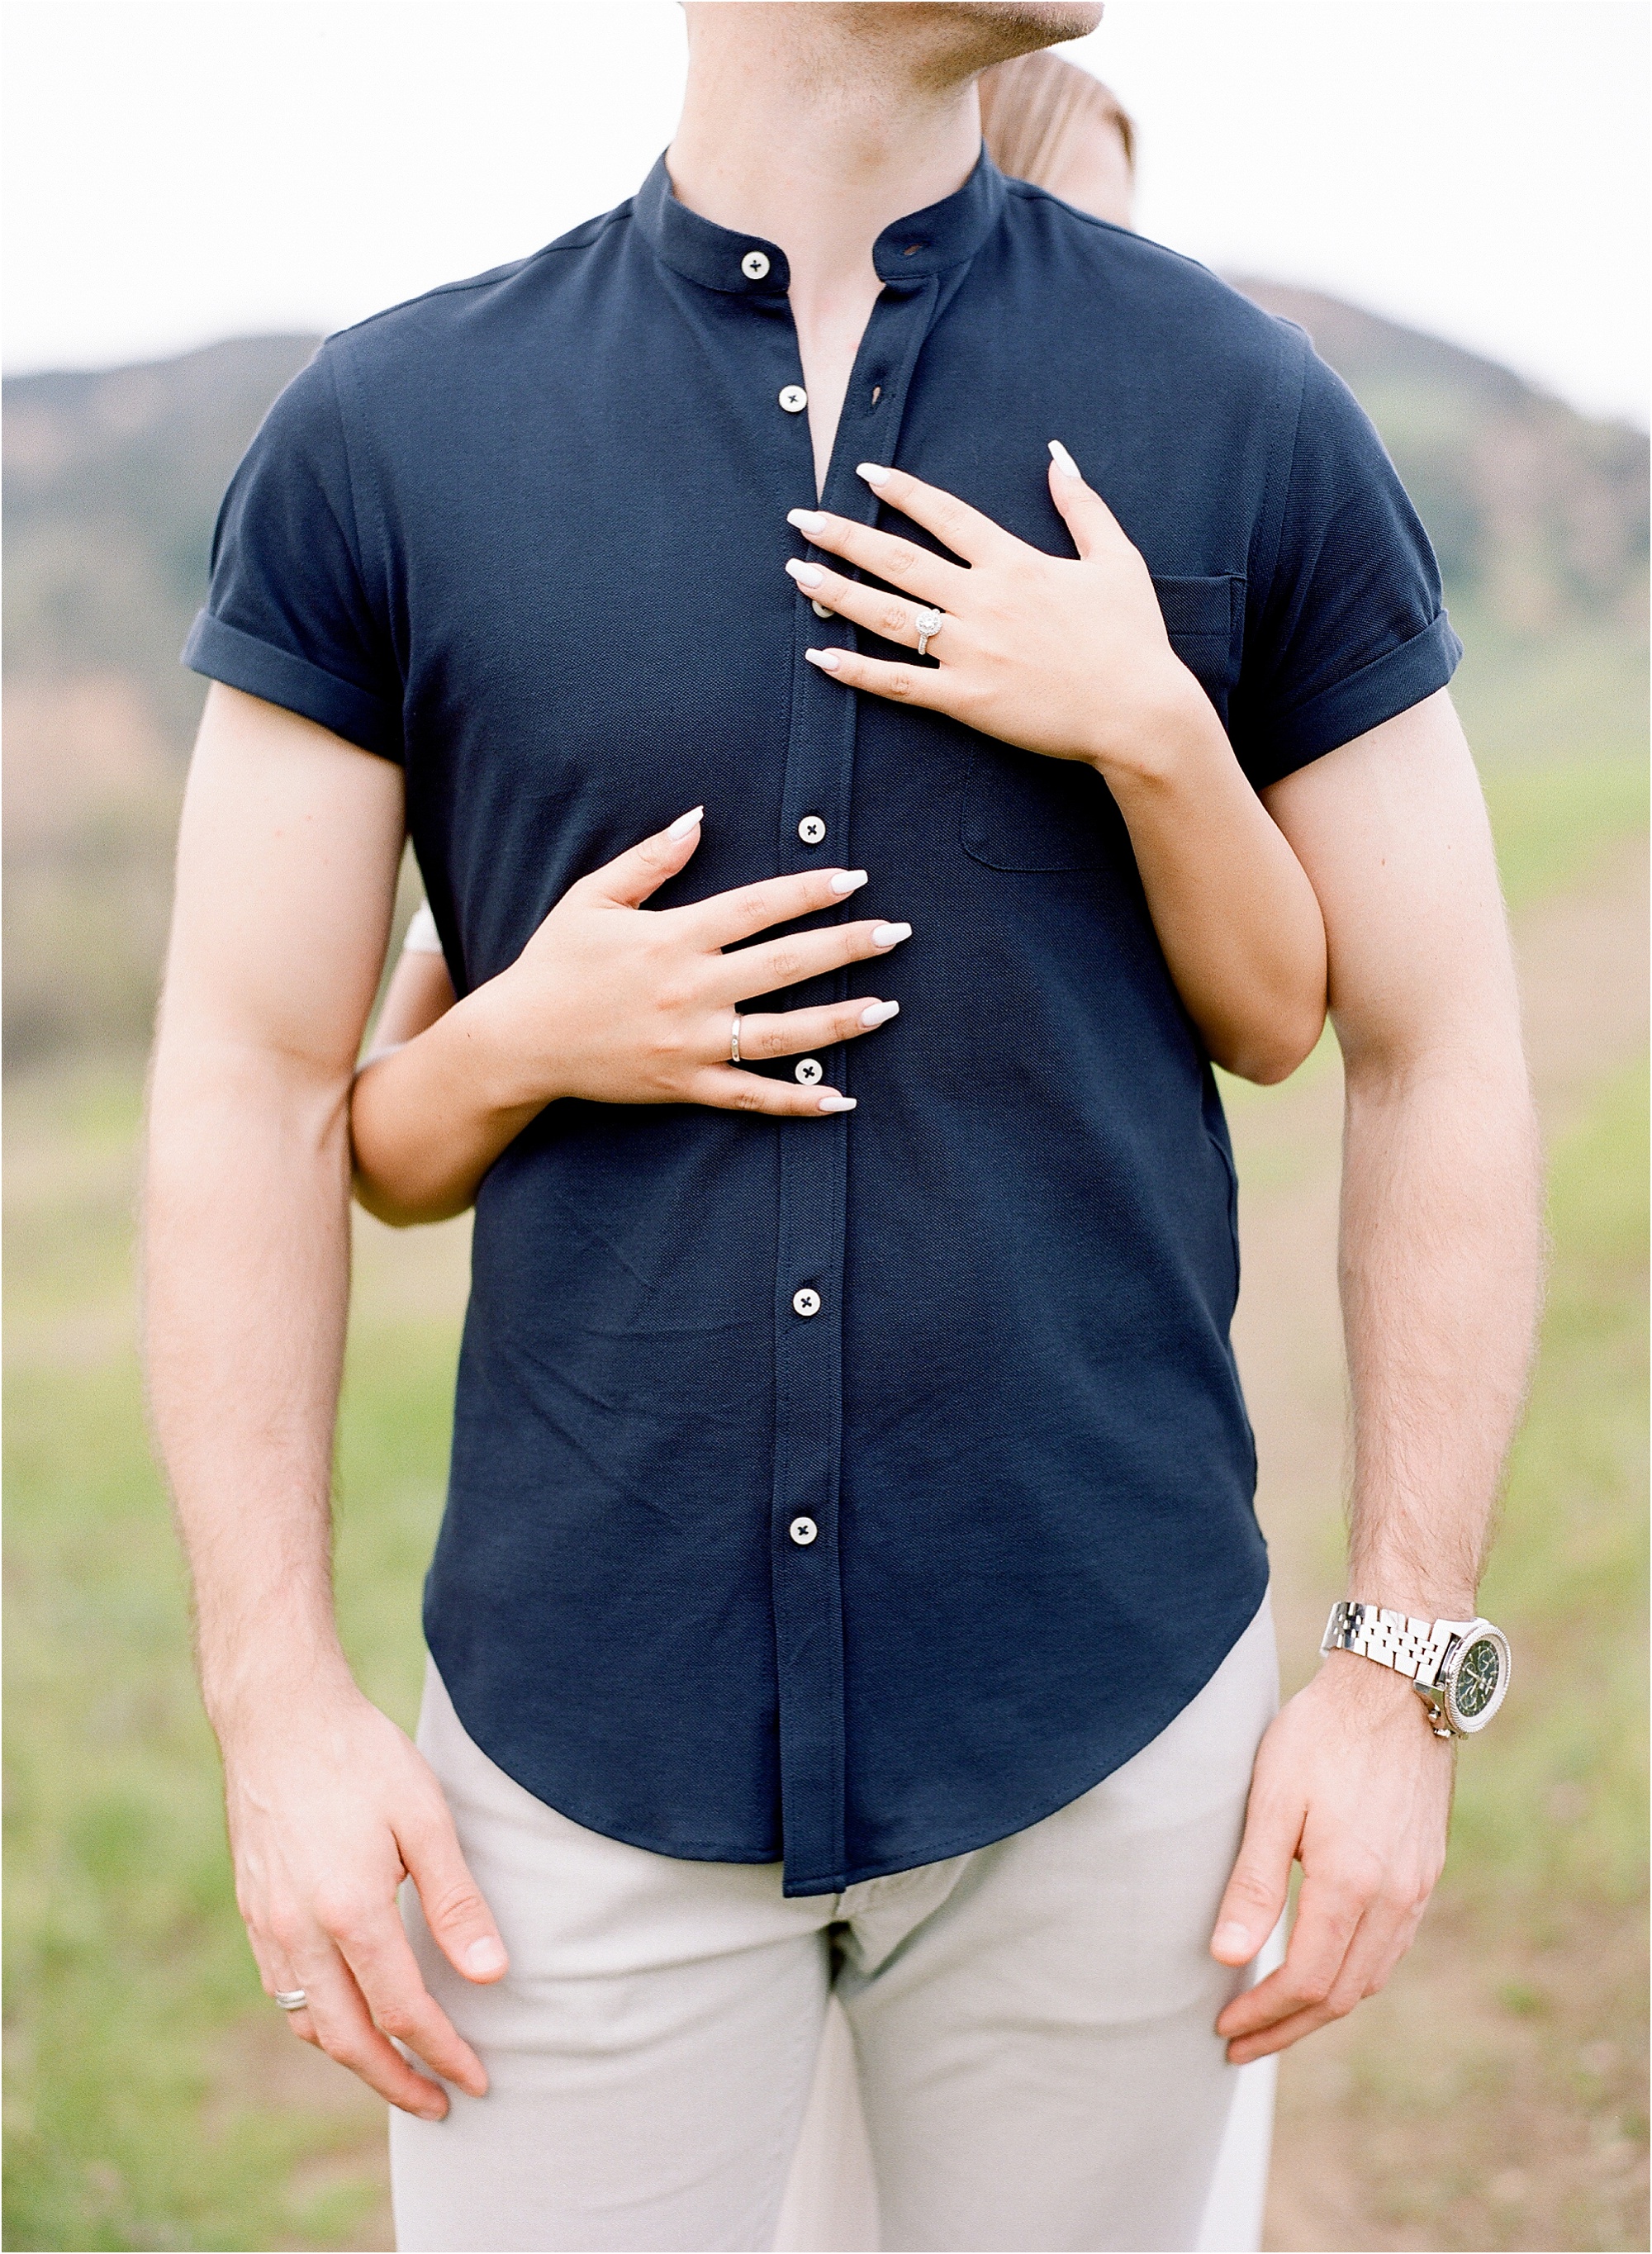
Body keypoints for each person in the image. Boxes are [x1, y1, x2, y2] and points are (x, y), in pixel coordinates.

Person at [145, 7, 1541, 2252]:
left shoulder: (1251, 410)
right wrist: (277, 1709)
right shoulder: (385, 439)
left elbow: (1422, 1040)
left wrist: (1399, 1673)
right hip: (564, 1777)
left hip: (1111, 1738)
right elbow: (256, 1085)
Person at [363, 48, 1141, 1064]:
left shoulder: (1116, 570)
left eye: (1115, 242)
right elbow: (390, 1141)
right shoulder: (592, 584)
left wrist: (1152, 724)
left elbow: (1271, 1021)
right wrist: (523, 1042)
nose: (1091, 280)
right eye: (1064, 224)